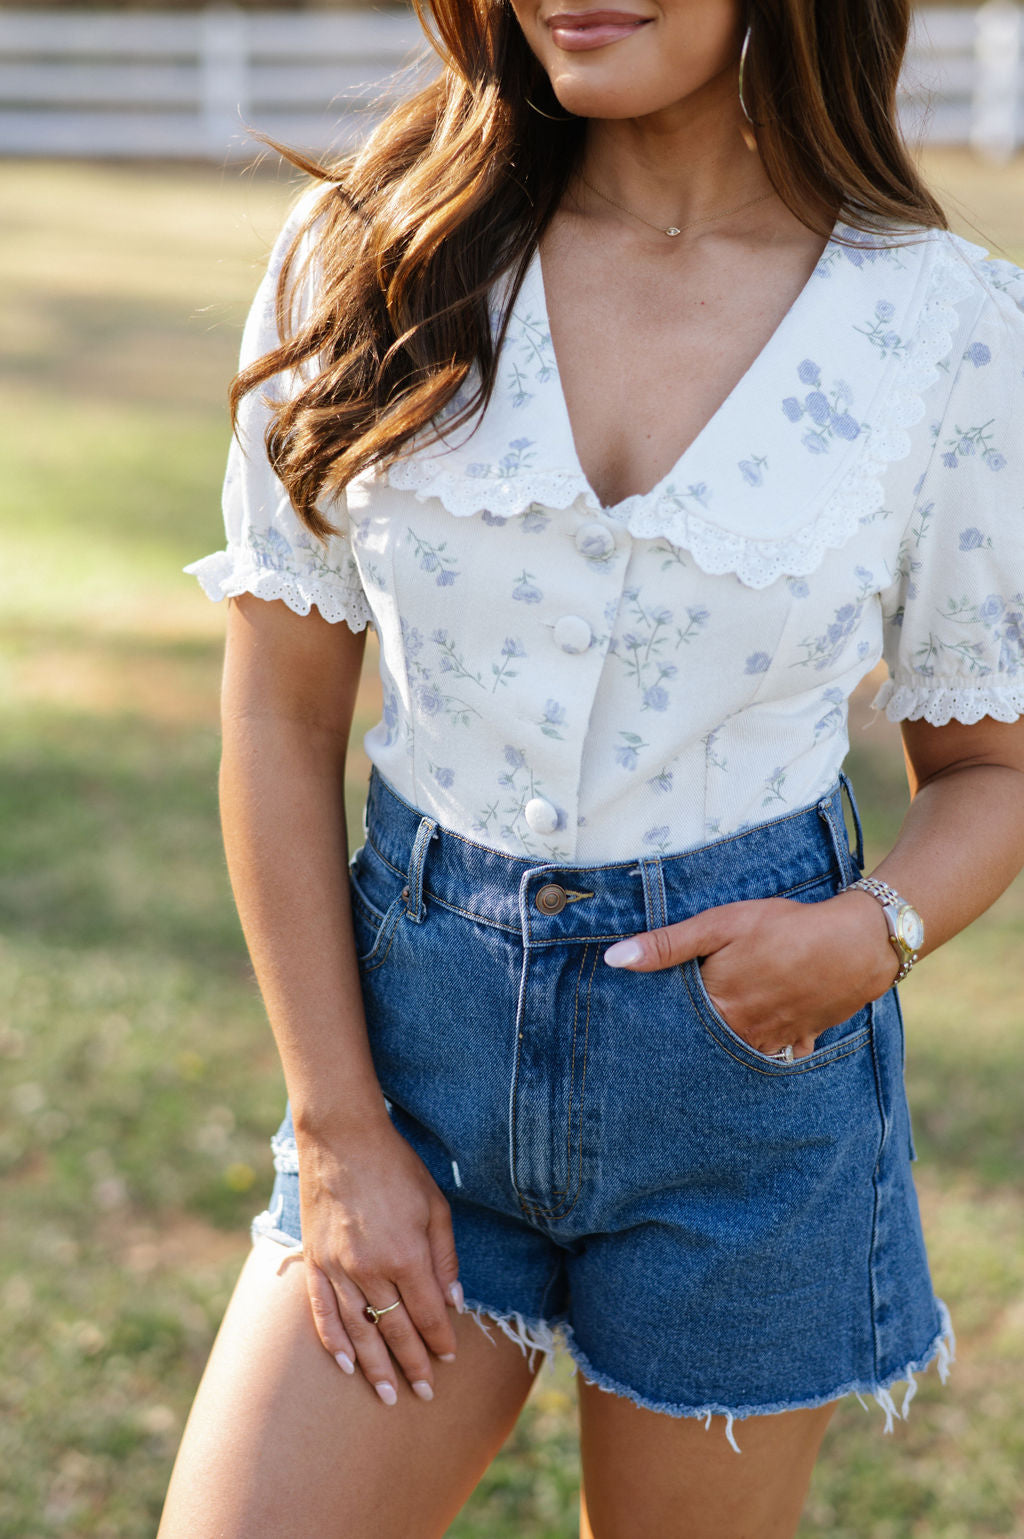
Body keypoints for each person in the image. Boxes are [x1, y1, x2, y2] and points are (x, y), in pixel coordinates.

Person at [159, 0, 1024, 1534]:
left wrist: (865, 935)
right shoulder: (371, 259)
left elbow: (991, 770)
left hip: (744, 1094)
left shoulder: (943, 332)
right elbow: (279, 722)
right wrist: (339, 1127)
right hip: (410, 1058)